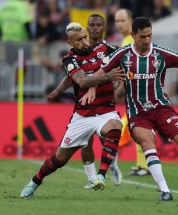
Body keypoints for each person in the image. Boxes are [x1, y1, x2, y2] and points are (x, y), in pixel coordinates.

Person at [84, 17, 178, 201]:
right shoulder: (122, 54)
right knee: (148, 143)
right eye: (143, 36)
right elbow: (99, 73)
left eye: (149, 35)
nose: (147, 40)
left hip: (161, 108)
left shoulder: (160, 54)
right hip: (137, 114)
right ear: (133, 35)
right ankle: (165, 191)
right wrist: (91, 88)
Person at [20, 21, 125, 198]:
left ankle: (101, 175)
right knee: (59, 159)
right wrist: (107, 76)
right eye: (78, 40)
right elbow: (82, 81)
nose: (84, 41)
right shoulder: (70, 59)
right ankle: (35, 181)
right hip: (82, 116)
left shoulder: (103, 47)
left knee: (115, 126)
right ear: (70, 42)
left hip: (106, 111)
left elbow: (124, 55)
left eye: (85, 37)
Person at [46, 14, 123, 189]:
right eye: (92, 25)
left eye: (99, 25)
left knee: (107, 138)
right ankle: (91, 178)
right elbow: (72, 77)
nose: (95, 28)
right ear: (87, 27)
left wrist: (119, 84)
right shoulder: (74, 53)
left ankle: (113, 164)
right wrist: (58, 91)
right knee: (85, 142)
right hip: (84, 106)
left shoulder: (107, 48)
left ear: (104, 28)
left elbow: (120, 63)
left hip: (104, 105)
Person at [114, 9, 150, 176]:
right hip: (134, 94)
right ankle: (142, 165)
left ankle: (113, 155)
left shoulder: (132, 40)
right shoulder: (125, 40)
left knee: (132, 126)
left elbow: (133, 68)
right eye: (117, 21)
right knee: (136, 127)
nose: (119, 24)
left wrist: (119, 88)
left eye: (122, 20)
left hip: (141, 93)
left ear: (130, 21)